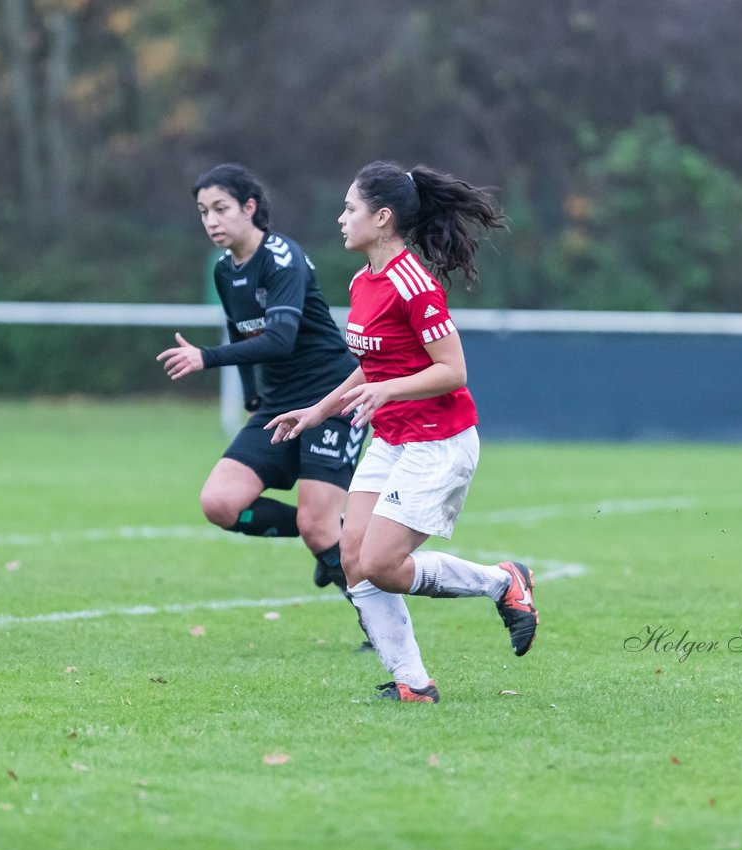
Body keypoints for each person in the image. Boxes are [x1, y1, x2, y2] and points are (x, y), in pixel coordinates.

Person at [265, 161, 539, 703]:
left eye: (351, 208)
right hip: (393, 439)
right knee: (352, 557)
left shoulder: (413, 283)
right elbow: (375, 361)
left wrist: (388, 392)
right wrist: (320, 410)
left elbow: (452, 370)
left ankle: (502, 581)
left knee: (382, 565)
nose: (341, 218)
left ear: (383, 218)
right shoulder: (363, 281)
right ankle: (413, 685)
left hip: (440, 441)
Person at [158, 163, 368, 643]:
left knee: (319, 527)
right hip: (276, 405)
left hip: (333, 398)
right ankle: (329, 544)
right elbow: (242, 330)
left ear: (249, 208)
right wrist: (255, 395)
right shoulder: (223, 270)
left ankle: (377, 622)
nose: (211, 220)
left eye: (221, 209)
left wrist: (204, 358)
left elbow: (278, 338)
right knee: (220, 503)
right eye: (203, 212)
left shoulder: (282, 258)